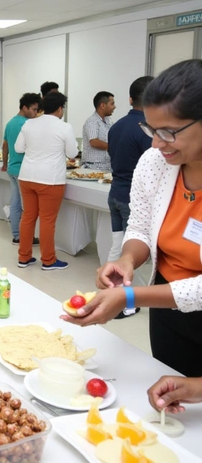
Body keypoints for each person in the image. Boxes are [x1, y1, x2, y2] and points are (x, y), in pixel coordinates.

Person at [60, 59, 202, 378]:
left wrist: (130, 295)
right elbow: (140, 225)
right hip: (166, 305)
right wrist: (127, 261)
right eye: (150, 129)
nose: (155, 143)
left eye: (168, 132)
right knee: (172, 397)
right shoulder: (155, 162)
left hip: (175, 299)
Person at [106, 76, 154, 318]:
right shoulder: (146, 130)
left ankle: (110, 292)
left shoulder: (116, 126)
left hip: (115, 192)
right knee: (131, 254)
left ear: (130, 99)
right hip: (133, 199)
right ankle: (127, 302)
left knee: (118, 246)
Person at [15, 91, 78, 270]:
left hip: (27, 176)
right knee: (47, 220)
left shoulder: (29, 124)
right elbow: (72, 153)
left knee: (28, 217)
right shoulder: (64, 127)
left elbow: (18, 148)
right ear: (59, 109)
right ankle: (48, 260)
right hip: (50, 179)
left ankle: (24, 257)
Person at [2, 93, 42, 246]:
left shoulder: (11, 123)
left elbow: (5, 145)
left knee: (15, 204)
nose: (35, 113)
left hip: (12, 168)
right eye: (33, 109)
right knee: (28, 208)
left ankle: (17, 236)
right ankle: (27, 237)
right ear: (24, 107)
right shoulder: (26, 125)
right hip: (23, 170)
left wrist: (5, 164)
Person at [82, 91, 116, 171]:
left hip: (107, 165)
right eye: (112, 104)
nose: (114, 107)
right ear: (103, 105)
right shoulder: (92, 121)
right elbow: (94, 142)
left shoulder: (109, 121)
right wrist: (114, 147)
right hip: (93, 167)